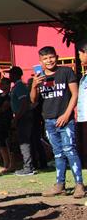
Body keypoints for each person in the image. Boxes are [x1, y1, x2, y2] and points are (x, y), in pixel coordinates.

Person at [30, 46, 84, 198]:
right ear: (40, 61)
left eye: (51, 57)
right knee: (58, 154)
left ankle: (79, 184)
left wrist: (67, 114)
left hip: (65, 119)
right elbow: (33, 101)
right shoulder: (39, 77)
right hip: (49, 121)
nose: (49, 61)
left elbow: (75, 94)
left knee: (70, 150)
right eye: (45, 58)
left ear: (57, 57)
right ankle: (59, 184)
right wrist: (34, 85)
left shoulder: (66, 72)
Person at [8, 66, 36, 176]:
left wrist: (16, 118)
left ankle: (28, 167)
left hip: (23, 117)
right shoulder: (17, 87)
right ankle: (30, 165)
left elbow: (24, 103)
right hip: (22, 116)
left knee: (24, 142)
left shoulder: (19, 87)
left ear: (15, 75)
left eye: (10, 75)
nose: (9, 77)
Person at [0, 77, 14, 174]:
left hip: (6, 121)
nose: (2, 85)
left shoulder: (10, 96)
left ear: (8, 85)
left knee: (9, 143)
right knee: (1, 144)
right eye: (1, 83)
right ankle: (5, 164)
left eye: (4, 83)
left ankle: (12, 164)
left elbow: (4, 108)